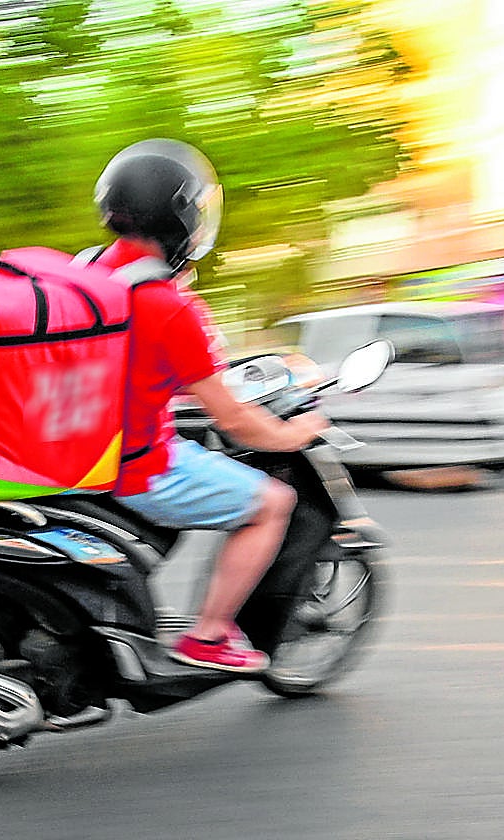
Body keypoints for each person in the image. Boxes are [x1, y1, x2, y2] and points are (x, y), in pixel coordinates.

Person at [89, 138, 328, 673]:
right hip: (137, 467)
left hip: (71, 453)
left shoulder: (87, 274)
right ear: (178, 217)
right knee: (272, 503)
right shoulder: (168, 305)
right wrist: (294, 435)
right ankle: (210, 635)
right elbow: (235, 420)